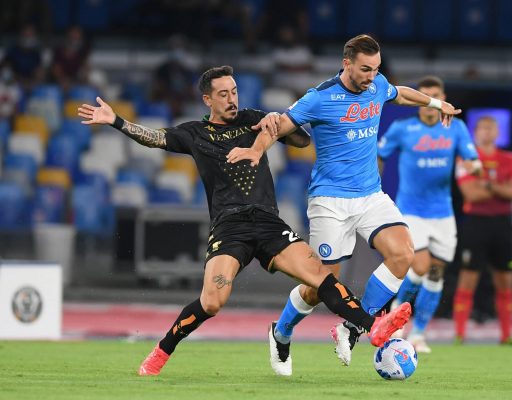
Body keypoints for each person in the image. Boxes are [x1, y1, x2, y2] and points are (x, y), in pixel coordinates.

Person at [77, 65, 411, 376]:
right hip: (229, 228)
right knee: (212, 302)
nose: (232, 98)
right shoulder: (195, 133)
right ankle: (162, 351)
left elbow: (302, 140)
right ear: (207, 99)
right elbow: (155, 138)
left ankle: (372, 327)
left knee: (320, 278)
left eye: (234, 91)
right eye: (223, 94)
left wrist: (276, 124)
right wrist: (116, 121)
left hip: (268, 224)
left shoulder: (254, 119)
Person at [227, 34, 462, 375]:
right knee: (320, 287)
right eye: (365, 69)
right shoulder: (319, 98)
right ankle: (281, 331)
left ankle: (352, 327)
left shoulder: (377, 85)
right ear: (347, 63)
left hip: (370, 196)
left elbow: (401, 93)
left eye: (376, 69)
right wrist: (256, 149)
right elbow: (279, 126)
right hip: (330, 202)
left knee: (403, 254)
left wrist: (437, 105)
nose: (371, 76)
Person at [377, 76, 480, 354]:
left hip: (443, 213)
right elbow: (380, 154)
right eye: (424, 97)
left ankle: (419, 333)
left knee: (435, 273)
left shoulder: (456, 128)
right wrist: (374, 184)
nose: (429, 104)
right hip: (411, 211)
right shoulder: (402, 128)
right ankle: (396, 317)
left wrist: (474, 169)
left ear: (443, 97)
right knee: (420, 266)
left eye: (435, 95)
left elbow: (472, 161)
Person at [453, 116, 512, 345]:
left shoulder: (510, 158)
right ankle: (460, 334)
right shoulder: (467, 158)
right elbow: (471, 194)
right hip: (476, 223)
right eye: (483, 128)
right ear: (476, 132)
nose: (487, 132)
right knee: (468, 278)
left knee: (505, 279)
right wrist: (501, 188)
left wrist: (487, 184)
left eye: (491, 128)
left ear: (497, 132)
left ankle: (506, 335)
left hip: (502, 224)